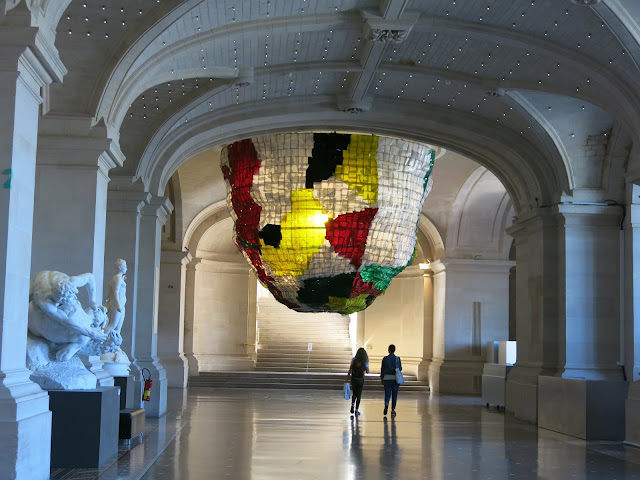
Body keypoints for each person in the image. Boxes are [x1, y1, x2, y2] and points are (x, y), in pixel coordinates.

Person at [28, 270, 108, 361]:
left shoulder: (72, 282)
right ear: (55, 299)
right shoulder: (45, 301)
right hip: (36, 306)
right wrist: (91, 333)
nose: (71, 303)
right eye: (62, 302)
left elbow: (90, 277)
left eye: (71, 299)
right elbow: (65, 320)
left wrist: (93, 302)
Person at [104, 259, 127, 346]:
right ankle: (98, 340)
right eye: (125, 266)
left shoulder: (120, 278)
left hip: (121, 305)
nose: (126, 268)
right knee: (112, 325)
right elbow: (115, 292)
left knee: (118, 328)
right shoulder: (117, 278)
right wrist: (118, 305)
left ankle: (114, 347)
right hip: (117, 304)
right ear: (120, 268)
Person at [380, 344, 402, 416]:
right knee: (394, 394)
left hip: (387, 378)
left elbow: (382, 369)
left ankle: (386, 404)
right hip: (395, 379)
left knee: (387, 393)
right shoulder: (397, 359)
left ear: (388, 350)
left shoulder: (385, 359)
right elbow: (400, 368)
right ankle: (393, 409)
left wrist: (382, 378)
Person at [347, 347, 369, 416]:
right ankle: (356, 410)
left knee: (354, 393)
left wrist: (347, 378)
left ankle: (352, 405)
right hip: (360, 379)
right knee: (359, 394)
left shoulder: (354, 360)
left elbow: (350, 370)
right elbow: (367, 371)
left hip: (354, 378)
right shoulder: (365, 361)